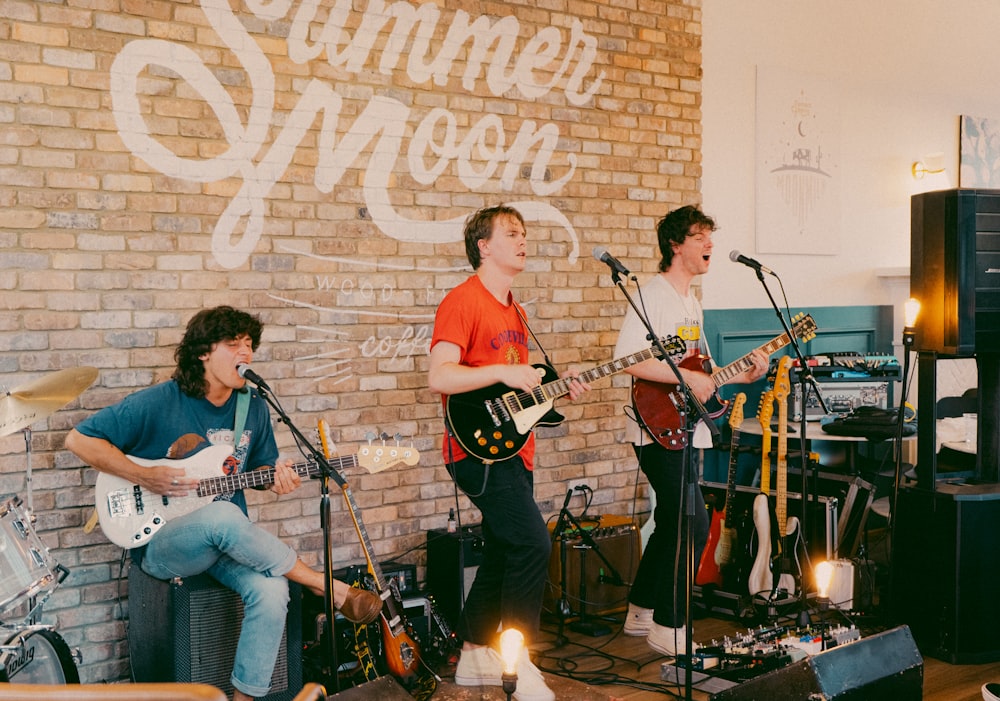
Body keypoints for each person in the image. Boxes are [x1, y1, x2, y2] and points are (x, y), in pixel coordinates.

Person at [65, 305, 381, 701]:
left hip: (225, 540)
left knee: (272, 593)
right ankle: (325, 586)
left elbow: (264, 470)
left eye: (249, 345)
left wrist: (277, 479)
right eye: (233, 344)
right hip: (162, 544)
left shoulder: (253, 406)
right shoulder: (160, 401)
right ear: (203, 352)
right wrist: (142, 475)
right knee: (223, 515)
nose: (244, 353)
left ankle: (243, 698)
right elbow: (78, 440)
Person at [427, 205, 590, 701]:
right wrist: (501, 373)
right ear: (484, 246)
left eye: (525, 234)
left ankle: (475, 655)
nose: (523, 241)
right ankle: (518, 670)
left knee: (503, 546)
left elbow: (517, 393)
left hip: (515, 451)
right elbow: (441, 376)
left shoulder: (514, 310)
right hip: (475, 452)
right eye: (512, 234)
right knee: (532, 544)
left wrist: (556, 390)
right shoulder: (463, 300)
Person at [612, 205, 769, 656]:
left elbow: (699, 370)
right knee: (693, 521)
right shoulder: (653, 295)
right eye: (699, 237)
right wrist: (688, 380)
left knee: (670, 520)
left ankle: (641, 610)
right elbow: (632, 359)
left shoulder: (691, 302)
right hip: (655, 426)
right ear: (675, 245)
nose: (709, 245)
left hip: (687, 425)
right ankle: (670, 625)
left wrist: (737, 375)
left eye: (710, 237)